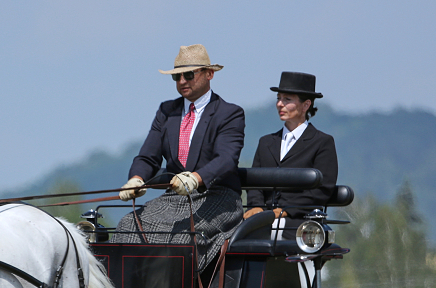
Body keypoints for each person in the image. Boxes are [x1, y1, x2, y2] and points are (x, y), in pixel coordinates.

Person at [111, 44, 245, 269]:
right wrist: (136, 178)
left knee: (184, 238)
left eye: (189, 74)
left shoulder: (229, 113)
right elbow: (147, 157)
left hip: (217, 197)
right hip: (175, 199)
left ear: (209, 74)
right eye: (177, 77)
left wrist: (196, 177)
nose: (182, 81)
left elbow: (226, 159)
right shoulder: (166, 111)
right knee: (127, 226)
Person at [244, 72, 338, 240]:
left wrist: (287, 210)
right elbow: (254, 183)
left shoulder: (322, 142)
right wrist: (256, 207)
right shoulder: (266, 142)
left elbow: (323, 189)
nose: (280, 104)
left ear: (305, 105)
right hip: (263, 220)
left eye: (287, 99)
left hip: (300, 222)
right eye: (278, 98)